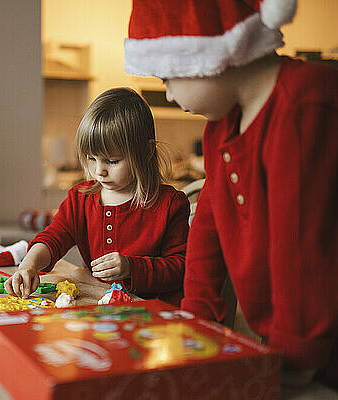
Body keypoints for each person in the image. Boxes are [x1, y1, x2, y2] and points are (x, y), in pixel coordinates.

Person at [124, 0, 338, 387]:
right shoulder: (220, 127)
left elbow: (303, 249)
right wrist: (195, 328)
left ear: (202, 50)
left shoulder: (304, 102)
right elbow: (207, 234)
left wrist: (295, 360)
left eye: (167, 79)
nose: (169, 95)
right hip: (289, 343)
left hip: (320, 346)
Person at [5, 88, 190, 307]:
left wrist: (133, 267)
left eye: (112, 161)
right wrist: (29, 265)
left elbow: (182, 267)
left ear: (147, 151)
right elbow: (53, 237)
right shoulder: (80, 198)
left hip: (153, 316)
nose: (99, 171)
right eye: (91, 158)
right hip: (101, 309)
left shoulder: (170, 205)